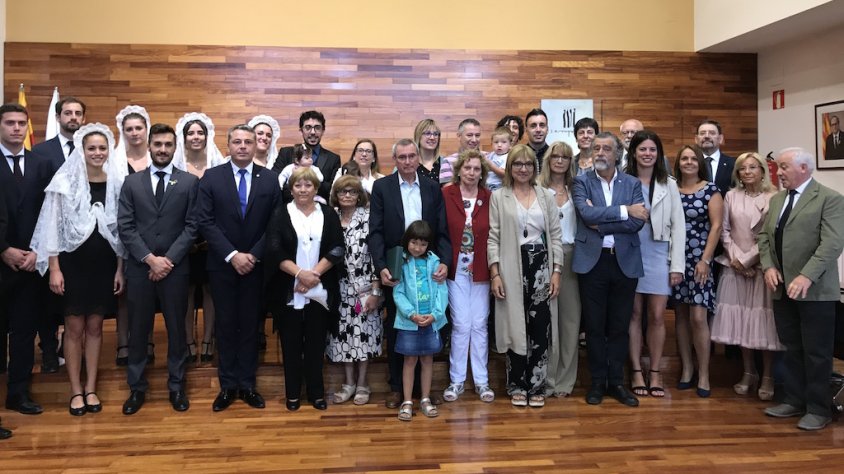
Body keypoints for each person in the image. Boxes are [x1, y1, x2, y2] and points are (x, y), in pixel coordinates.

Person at [30, 123, 125, 416]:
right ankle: (75, 390)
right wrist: (54, 268)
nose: (97, 153)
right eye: (91, 148)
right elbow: (52, 227)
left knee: (96, 327)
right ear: (81, 150)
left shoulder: (117, 181)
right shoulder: (65, 181)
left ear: (108, 150)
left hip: (104, 265)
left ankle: (92, 387)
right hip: (72, 265)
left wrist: (120, 269)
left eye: (102, 148)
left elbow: (121, 231)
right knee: (73, 328)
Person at [759, 147, 844, 431]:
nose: (778, 173)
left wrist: (807, 276)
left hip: (815, 291)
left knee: (817, 352)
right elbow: (763, 237)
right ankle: (794, 400)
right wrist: (769, 267)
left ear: (804, 168)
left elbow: (832, 244)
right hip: (782, 289)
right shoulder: (777, 200)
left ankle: (819, 409)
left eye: (783, 167)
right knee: (792, 347)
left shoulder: (830, 199)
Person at [197, 124, 280, 412]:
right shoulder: (212, 177)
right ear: (228, 145)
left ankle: (247, 385)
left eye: (248, 141)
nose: (243, 146)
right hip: (222, 265)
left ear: (256, 145)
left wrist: (253, 255)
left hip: (256, 267)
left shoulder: (269, 180)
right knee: (226, 325)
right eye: (237, 142)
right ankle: (227, 386)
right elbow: (205, 221)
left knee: (249, 326)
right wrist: (233, 255)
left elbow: (275, 223)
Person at [117, 123, 199, 415]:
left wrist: (168, 260)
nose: (162, 149)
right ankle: (136, 388)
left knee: (178, 330)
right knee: (138, 331)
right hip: (140, 269)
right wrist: (150, 259)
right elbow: (125, 227)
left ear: (175, 148)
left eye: (168, 145)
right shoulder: (132, 183)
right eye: (158, 144)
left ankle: (177, 386)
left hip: (175, 269)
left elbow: (192, 227)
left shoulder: (189, 182)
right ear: (149, 146)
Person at [368, 138, 451, 409]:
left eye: (411, 156)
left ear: (418, 158)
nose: (407, 161)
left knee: (429, 323)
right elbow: (376, 231)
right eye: (401, 157)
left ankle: (423, 390)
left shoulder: (431, 187)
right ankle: (397, 388)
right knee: (398, 325)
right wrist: (381, 266)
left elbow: (442, 231)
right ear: (395, 160)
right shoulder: (382, 187)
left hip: (429, 267)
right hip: (397, 267)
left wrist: (445, 263)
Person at [572, 132, 647, 407]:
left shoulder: (633, 182)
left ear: (618, 154)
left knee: (619, 326)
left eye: (607, 149)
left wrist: (602, 222)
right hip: (594, 262)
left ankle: (616, 382)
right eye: (596, 149)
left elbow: (638, 222)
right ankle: (597, 383)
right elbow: (586, 215)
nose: (601, 153)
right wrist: (626, 210)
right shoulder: (580, 182)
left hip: (624, 261)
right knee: (593, 327)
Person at [488, 144, 563, 408]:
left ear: (534, 168)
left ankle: (538, 385)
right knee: (515, 325)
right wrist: (494, 273)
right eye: (517, 164)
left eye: (528, 164)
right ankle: (517, 384)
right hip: (511, 265)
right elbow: (493, 237)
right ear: (510, 168)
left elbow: (555, 235)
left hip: (541, 264)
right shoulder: (499, 196)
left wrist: (556, 272)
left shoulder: (545, 195)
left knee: (540, 326)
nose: (523, 169)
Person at [265, 167, 343, 411]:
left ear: (316, 189)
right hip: (290, 290)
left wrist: (314, 275)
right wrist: (299, 274)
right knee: (290, 345)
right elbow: (274, 249)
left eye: (308, 185)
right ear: (291, 189)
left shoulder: (328, 214)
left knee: (316, 345)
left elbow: (337, 248)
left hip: (319, 290)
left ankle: (316, 393)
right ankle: (292, 395)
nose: (303, 189)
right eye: (298, 185)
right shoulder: (281, 213)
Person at [710, 152, 783, 401]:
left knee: (763, 324)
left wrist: (749, 259)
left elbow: (770, 234)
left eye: (753, 167)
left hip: (763, 268)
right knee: (740, 322)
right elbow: (724, 230)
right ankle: (748, 372)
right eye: (743, 168)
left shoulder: (774, 197)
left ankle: (768, 376)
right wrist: (736, 260)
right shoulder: (731, 195)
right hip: (734, 266)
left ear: (763, 170)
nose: (748, 171)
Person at [0, 103, 56, 415]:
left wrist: (39, 251)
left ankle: (18, 393)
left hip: (32, 262)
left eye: (22, 123)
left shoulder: (41, 164)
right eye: (10, 123)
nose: (17, 128)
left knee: (24, 332)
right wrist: (3, 249)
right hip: (2, 259)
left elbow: (50, 213)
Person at [623, 131, 685, 398]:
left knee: (658, 315)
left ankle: (656, 370)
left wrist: (677, 266)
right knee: (634, 314)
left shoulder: (668, 183)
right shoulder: (623, 181)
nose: (647, 154)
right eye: (642, 149)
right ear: (634, 152)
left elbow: (679, 226)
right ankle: (636, 369)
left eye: (652, 150)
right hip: (630, 252)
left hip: (659, 253)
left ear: (658, 154)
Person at [29, 96, 87, 374]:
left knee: (75, 297)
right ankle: (49, 350)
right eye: (68, 113)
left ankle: (74, 347)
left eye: (78, 113)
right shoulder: (40, 152)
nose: (73, 117)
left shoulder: (92, 150)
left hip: (84, 238)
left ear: (83, 119)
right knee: (48, 296)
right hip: (51, 234)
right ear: (58, 117)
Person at [671, 145, 724, 398]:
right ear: (678, 162)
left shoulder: (711, 189)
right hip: (676, 260)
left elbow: (716, 227)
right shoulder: (671, 188)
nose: (689, 162)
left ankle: (704, 372)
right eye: (684, 158)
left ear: (700, 163)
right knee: (680, 316)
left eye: (693, 158)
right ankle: (687, 369)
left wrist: (705, 259)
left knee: (698, 318)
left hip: (700, 260)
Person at [326, 175, 383, 405]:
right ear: (336, 196)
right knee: (342, 338)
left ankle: (362, 383)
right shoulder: (331, 218)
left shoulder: (369, 218)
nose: (347, 195)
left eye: (352, 192)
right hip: (338, 288)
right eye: (342, 192)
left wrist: (376, 291)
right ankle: (348, 383)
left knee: (364, 336)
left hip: (365, 287)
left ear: (360, 195)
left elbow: (377, 254)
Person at [442, 150, 494, 403]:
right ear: (459, 170)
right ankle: (457, 380)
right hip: (455, 270)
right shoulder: (446, 194)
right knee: (462, 324)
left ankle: (482, 382)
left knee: (480, 324)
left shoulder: (489, 197)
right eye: (468, 168)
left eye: (476, 169)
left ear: (482, 173)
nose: (472, 173)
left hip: (482, 270)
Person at [173, 113, 224, 364]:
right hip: (182, 237)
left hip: (211, 237)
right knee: (187, 291)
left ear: (207, 136)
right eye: (191, 133)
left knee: (210, 290)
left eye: (200, 133)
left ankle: (207, 339)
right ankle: (188, 340)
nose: (196, 137)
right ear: (184, 138)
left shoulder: (218, 164)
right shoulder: (175, 166)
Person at [538, 141, 581, 398]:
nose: (560, 161)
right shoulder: (537, 189)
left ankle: (565, 382)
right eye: (555, 156)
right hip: (544, 258)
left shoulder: (578, 188)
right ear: (548, 159)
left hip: (573, 256)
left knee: (570, 322)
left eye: (565, 157)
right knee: (546, 322)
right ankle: (547, 379)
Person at [394, 220, 448, 421]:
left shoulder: (435, 262)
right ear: (407, 241)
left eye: (423, 244)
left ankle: (425, 398)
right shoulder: (402, 261)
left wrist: (435, 314)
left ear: (428, 244)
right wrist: (410, 314)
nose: (417, 248)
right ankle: (407, 401)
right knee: (409, 360)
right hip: (410, 321)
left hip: (431, 321)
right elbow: (398, 291)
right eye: (414, 243)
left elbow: (442, 291)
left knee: (427, 359)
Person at [112, 105, 153, 366]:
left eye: (139, 128)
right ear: (123, 132)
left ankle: (148, 341)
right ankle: (123, 344)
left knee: (150, 294)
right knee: (125, 293)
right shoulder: (114, 161)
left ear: (147, 130)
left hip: (154, 234)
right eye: (129, 129)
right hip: (122, 233)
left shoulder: (158, 158)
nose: (135, 133)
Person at [271, 110, 340, 201]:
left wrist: (311, 182)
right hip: (288, 207)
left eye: (317, 128)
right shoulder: (286, 153)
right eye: (308, 127)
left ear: (323, 131)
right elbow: (274, 182)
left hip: (319, 210)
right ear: (301, 130)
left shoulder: (333, 159)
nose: (313, 132)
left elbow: (332, 190)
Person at [694, 119, 735, 197]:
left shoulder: (733, 164)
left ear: (720, 138)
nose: (706, 136)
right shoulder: (690, 164)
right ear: (696, 139)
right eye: (702, 133)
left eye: (712, 133)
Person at [441, 118, 482, 184]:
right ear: (459, 136)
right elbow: (448, 191)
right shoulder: (448, 162)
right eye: (469, 135)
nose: (474, 140)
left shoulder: (490, 158)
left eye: (477, 135)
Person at [413, 119, 445, 183]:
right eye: (427, 133)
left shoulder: (445, 163)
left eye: (436, 134)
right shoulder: (408, 163)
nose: (432, 138)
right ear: (418, 136)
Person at [486, 127, 512, 192]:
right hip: (486, 184)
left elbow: (504, 174)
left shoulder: (508, 157)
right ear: (491, 144)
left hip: (498, 186)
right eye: (496, 142)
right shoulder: (492, 154)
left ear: (510, 144)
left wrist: (491, 166)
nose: (499, 145)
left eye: (504, 142)